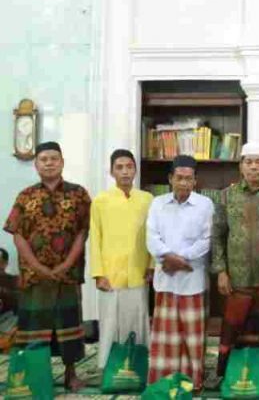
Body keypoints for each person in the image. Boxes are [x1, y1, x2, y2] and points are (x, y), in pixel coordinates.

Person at [3, 141, 91, 391]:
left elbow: (82, 232)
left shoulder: (79, 194)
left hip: (68, 274)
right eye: (44, 159)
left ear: (62, 162)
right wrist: (37, 266)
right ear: (36, 164)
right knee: (33, 327)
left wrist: (66, 264)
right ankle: (35, 375)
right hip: (34, 276)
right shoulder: (25, 196)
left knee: (68, 325)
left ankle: (70, 374)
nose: (49, 163)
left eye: (54, 158)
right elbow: (17, 234)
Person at [211, 143, 259, 377]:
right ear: (241, 167)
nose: (254, 167)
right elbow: (217, 235)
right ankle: (228, 375)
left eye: (258, 162)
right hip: (237, 279)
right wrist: (221, 272)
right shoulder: (226, 195)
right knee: (234, 331)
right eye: (248, 162)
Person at [146, 155, 213, 390]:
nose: (184, 183)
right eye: (179, 178)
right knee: (167, 336)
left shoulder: (205, 205)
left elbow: (207, 240)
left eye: (189, 178)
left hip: (192, 280)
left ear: (195, 181)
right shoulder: (157, 203)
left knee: (191, 337)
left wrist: (180, 259)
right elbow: (152, 238)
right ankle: (164, 379)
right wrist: (170, 259)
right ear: (170, 179)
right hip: (166, 279)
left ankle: (193, 380)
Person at [89, 149, 153, 369]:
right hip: (110, 274)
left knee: (138, 321)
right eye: (120, 167)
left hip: (138, 272)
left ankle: (137, 366)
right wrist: (98, 274)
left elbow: (153, 236)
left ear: (135, 169)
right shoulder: (100, 201)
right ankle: (107, 368)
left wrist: (151, 266)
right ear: (111, 171)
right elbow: (95, 239)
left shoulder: (147, 200)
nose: (125, 172)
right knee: (109, 324)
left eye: (129, 166)